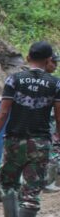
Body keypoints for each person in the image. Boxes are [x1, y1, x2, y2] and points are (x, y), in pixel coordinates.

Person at [0, 42, 60, 217]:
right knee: (31, 193)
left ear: (28, 58)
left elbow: (2, 113)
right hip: (40, 144)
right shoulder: (55, 84)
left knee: (8, 184)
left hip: (14, 142)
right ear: (48, 60)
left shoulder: (14, 79)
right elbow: (59, 118)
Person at [44, 53, 60, 192]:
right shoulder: (53, 83)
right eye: (53, 63)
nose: (55, 66)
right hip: (49, 122)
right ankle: (48, 182)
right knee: (53, 150)